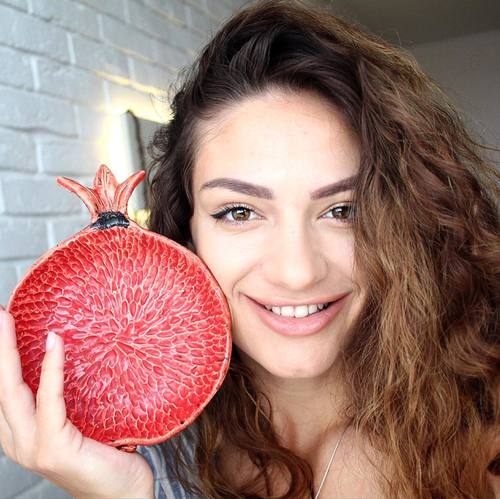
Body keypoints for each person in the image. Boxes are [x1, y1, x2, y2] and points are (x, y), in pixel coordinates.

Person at [0, 0, 498, 497]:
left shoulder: (485, 438)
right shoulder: (146, 456)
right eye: (239, 212)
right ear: (187, 234)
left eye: (344, 210)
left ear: (406, 218)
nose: (298, 272)